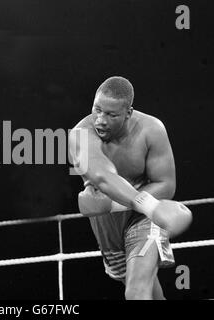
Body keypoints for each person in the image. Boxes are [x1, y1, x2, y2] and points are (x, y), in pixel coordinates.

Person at [68, 76, 192, 300]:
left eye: (111, 115)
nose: (101, 120)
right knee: (150, 293)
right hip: (108, 228)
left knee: (136, 292)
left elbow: (166, 184)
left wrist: (146, 207)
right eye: (97, 110)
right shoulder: (80, 134)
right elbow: (102, 175)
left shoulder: (151, 130)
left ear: (128, 112)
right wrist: (143, 204)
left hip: (144, 219)